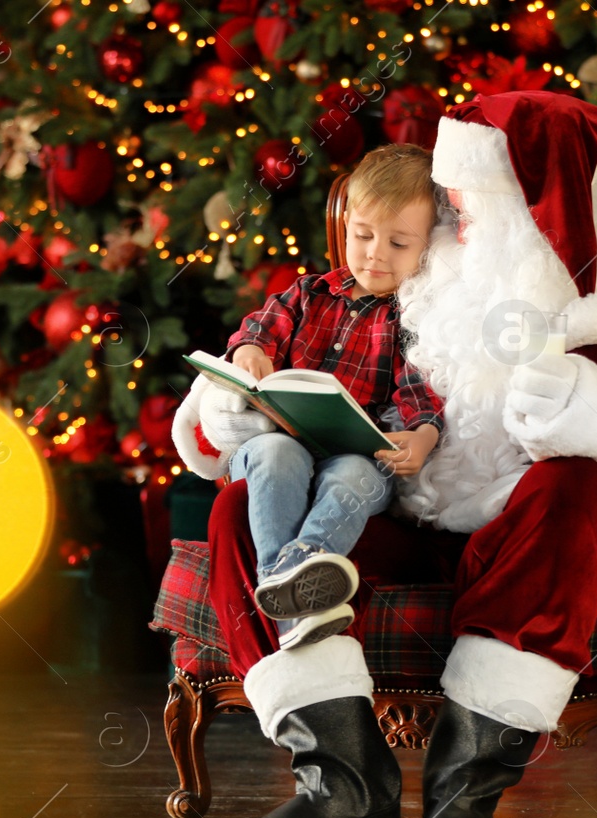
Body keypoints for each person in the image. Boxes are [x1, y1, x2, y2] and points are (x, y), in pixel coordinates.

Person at [181, 91, 597, 818]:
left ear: (544, 200)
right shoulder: (422, 255)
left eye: (475, 201)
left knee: (575, 489)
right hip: (394, 505)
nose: (458, 220)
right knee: (243, 506)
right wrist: (235, 402)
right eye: (454, 201)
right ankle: (344, 800)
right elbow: (306, 329)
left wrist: (593, 416)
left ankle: (461, 806)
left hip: (532, 530)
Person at [172, 144, 445, 655]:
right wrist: (251, 349)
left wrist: (423, 435)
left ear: (429, 248)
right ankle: (297, 599)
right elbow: (258, 329)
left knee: (358, 478)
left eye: (398, 244)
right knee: (274, 454)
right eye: (362, 236)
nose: (374, 254)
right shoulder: (309, 293)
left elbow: (420, 392)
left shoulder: (413, 319)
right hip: (283, 438)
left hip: (355, 452)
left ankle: (285, 584)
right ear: (346, 230)